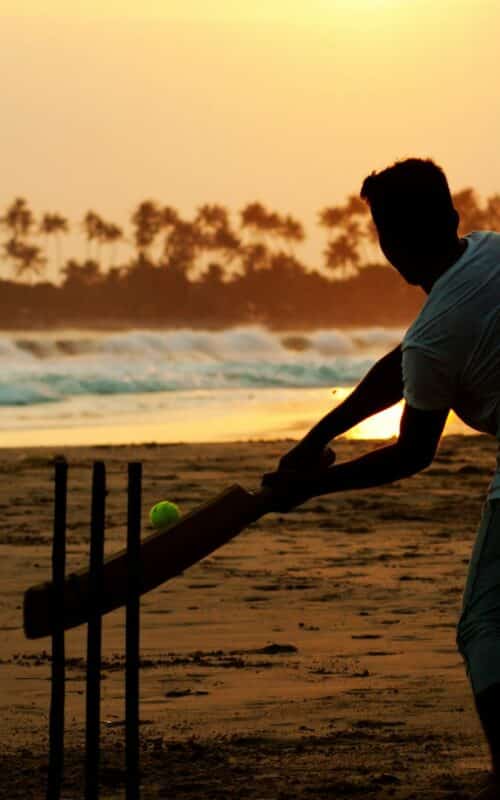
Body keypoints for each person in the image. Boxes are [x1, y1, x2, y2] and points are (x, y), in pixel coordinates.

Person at [261, 158, 500, 799]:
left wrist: (313, 485)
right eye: (387, 235)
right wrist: (316, 438)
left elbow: (411, 453)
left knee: (484, 628)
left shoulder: (436, 330)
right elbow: (401, 365)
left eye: (395, 234)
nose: (394, 251)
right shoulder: (489, 251)